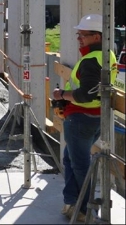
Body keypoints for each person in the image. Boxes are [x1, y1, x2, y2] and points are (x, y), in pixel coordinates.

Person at [52, 14, 118, 222]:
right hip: (96, 116)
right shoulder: (108, 55)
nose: (79, 38)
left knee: (80, 164)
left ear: (97, 36)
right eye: (78, 34)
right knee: (70, 159)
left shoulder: (90, 61)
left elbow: (84, 95)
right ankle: (73, 201)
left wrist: (62, 95)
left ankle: (86, 210)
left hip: (81, 118)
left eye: (83, 35)